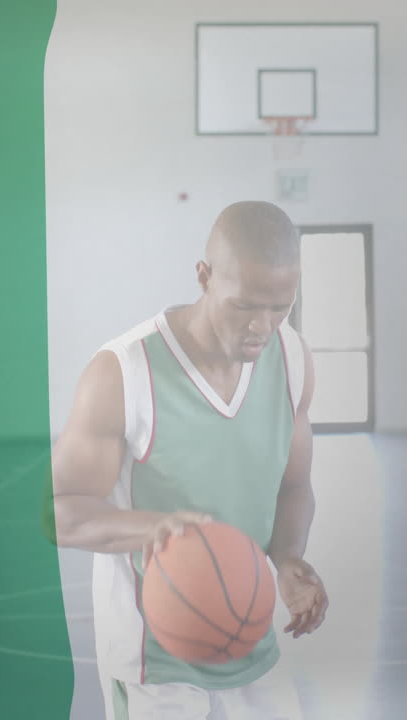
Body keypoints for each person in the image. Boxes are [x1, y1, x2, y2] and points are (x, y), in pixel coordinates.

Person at [44, 200, 329, 719]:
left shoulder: (291, 360)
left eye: (280, 306)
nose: (262, 327)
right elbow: (59, 509)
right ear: (203, 276)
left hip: (248, 636)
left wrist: (286, 558)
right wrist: (155, 528)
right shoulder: (124, 372)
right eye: (244, 305)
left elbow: (294, 486)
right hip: (154, 661)